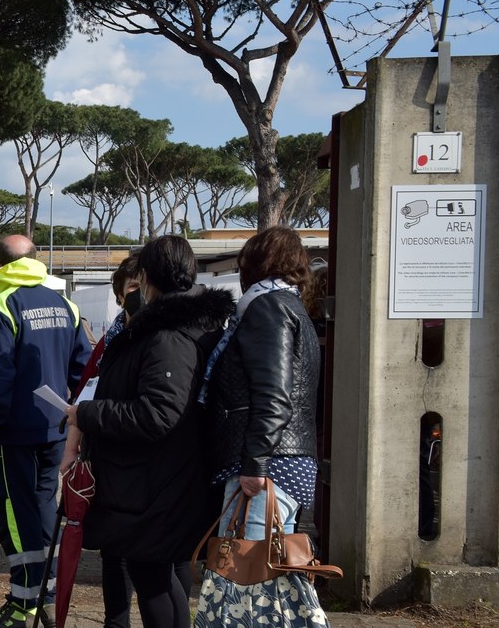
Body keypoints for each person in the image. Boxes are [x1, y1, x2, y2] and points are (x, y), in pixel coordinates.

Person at [64, 235, 233, 628]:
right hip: (158, 477)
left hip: (156, 481)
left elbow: (159, 412)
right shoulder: (180, 325)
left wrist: (89, 413)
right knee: (155, 576)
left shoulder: (167, 335)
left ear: (147, 277)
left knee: (152, 578)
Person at [0, 235, 91, 628]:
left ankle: (24, 606)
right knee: (41, 513)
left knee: (16, 519)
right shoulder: (65, 304)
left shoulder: (0, 306)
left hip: (13, 436)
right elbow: (83, 372)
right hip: (54, 432)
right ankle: (46, 595)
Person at [202, 225, 321, 545]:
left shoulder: (268, 307)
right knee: (267, 570)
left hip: (268, 465)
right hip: (286, 458)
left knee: (246, 572)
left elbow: (273, 394)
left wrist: (256, 462)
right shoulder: (293, 307)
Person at [67, 253, 141, 628]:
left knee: (160, 564)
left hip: (147, 463)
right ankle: (117, 621)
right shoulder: (110, 339)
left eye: (143, 287)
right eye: (131, 289)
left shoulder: (159, 337)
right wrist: (73, 443)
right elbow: (86, 389)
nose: (139, 295)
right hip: (110, 461)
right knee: (115, 553)